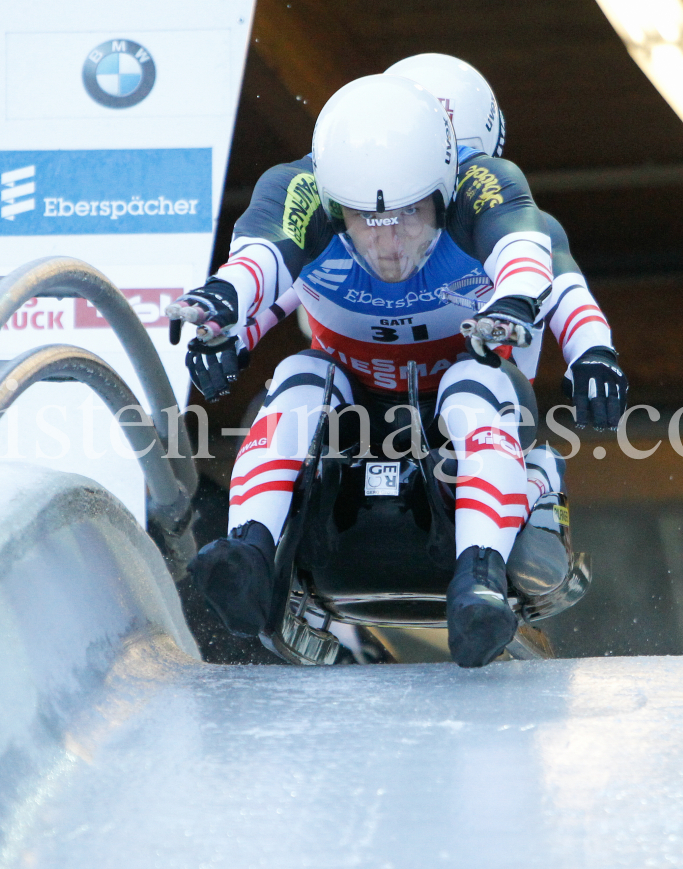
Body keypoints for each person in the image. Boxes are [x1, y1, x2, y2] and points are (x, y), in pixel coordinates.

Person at [175, 72, 627, 667]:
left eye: (412, 214)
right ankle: (250, 551)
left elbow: (536, 264)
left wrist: (589, 348)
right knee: (298, 375)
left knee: (474, 383)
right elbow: (268, 263)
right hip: (352, 410)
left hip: (460, 414)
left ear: (447, 176)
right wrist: (227, 318)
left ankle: (482, 573)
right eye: (368, 219)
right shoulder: (301, 189)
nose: (390, 247)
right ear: (339, 202)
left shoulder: (487, 191)